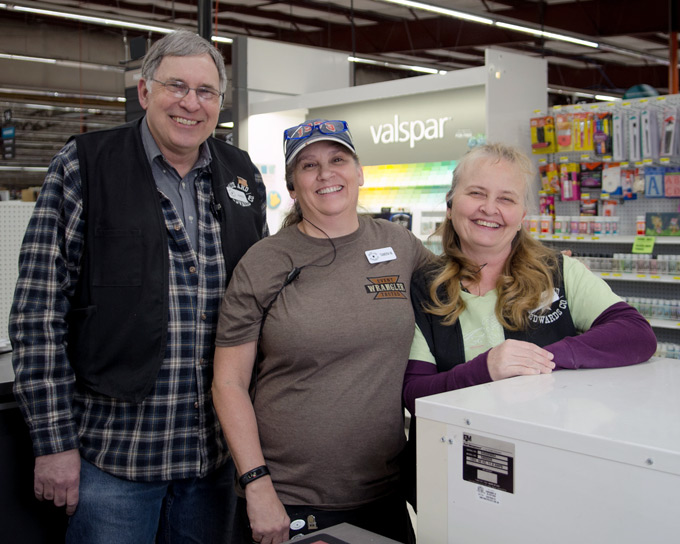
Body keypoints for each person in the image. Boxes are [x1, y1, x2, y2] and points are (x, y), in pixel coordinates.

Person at [9, 30, 268, 543]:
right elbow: (37, 313)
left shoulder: (241, 176)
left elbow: (261, 303)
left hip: (214, 461)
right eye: (177, 86)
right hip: (114, 459)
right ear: (145, 92)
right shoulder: (84, 165)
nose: (191, 103)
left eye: (206, 91)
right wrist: (53, 442)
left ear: (220, 101)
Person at [211, 119, 431, 544]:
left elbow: (466, 291)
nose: (326, 173)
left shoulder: (401, 246)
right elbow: (228, 382)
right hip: (290, 498)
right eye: (308, 166)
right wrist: (256, 484)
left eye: (338, 159)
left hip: (383, 492)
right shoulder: (265, 261)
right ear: (293, 187)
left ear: (359, 171)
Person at [404, 143, 657, 418]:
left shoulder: (560, 272)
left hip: (543, 445)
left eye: (506, 199)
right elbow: (415, 394)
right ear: (450, 205)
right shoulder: (423, 287)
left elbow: (636, 333)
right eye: (477, 193)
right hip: (454, 450)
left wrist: (543, 358)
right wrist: (485, 368)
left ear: (522, 215)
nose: (489, 209)